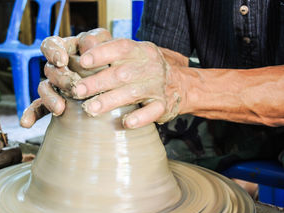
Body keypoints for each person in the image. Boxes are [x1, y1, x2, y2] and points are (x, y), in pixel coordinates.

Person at [20, 0, 284, 174]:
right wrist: (104, 71)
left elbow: (175, 83)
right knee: (116, 141)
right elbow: (165, 57)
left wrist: (183, 86)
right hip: (221, 109)